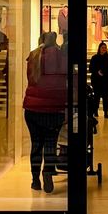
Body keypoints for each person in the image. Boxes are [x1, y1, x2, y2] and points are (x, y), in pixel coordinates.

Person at [23, 31, 68, 193]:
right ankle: (47, 171)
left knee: (36, 144)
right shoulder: (61, 56)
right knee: (50, 143)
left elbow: (31, 78)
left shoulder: (33, 56)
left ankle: (35, 180)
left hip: (32, 108)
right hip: (54, 108)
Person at [89, 41, 108, 119]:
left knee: (106, 97)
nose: (104, 49)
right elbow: (91, 69)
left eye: (105, 48)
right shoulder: (94, 58)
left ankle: (106, 112)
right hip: (96, 80)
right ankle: (95, 111)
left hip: (106, 81)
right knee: (96, 96)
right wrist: (97, 72)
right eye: (102, 48)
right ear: (99, 49)